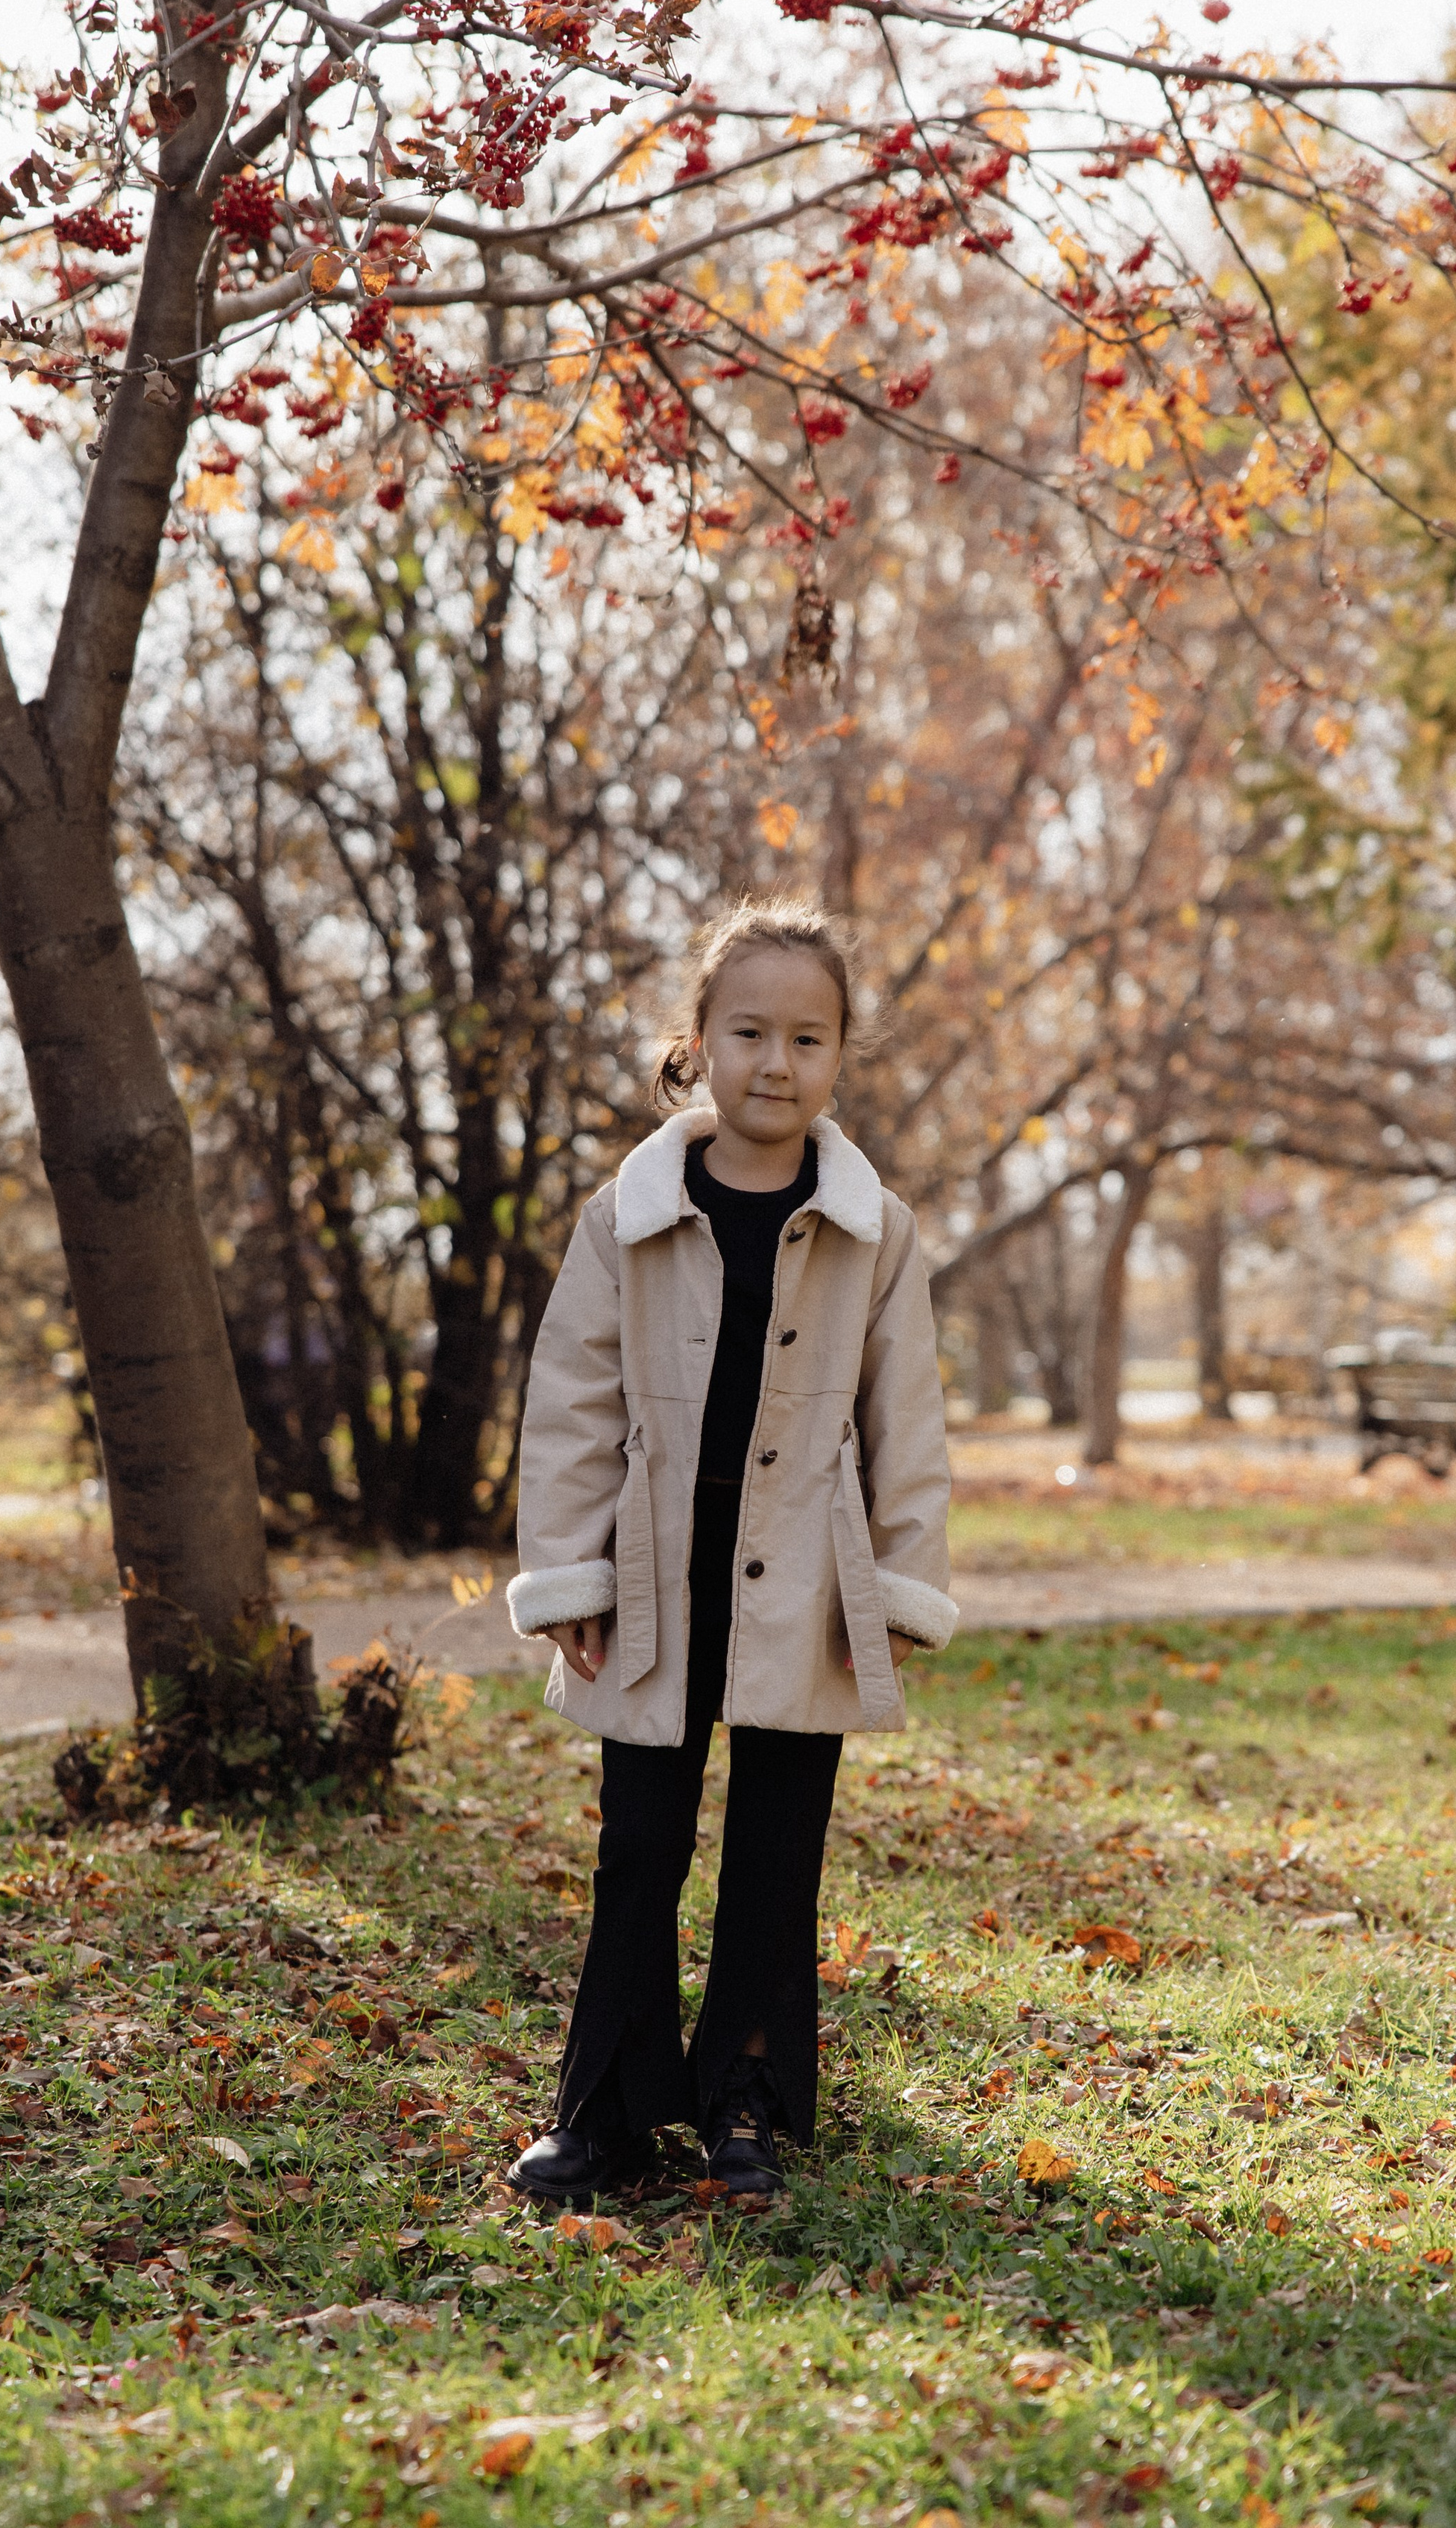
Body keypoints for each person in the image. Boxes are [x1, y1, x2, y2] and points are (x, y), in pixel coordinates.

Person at [502, 897, 955, 2207]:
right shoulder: (628, 1214)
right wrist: (570, 1571)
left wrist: (903, 1585)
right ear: (697, 1041)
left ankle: (744, 2098)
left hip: (807, 1579)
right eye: (749, 1032)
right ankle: (604, 2110)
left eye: (808, 1039)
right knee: (639, 1842)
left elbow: (906, 1415)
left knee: (776, 1847)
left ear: (839, 1055)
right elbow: (572, 1401)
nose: (776, 1063)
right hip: (656, 1568)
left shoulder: (875, 1228)